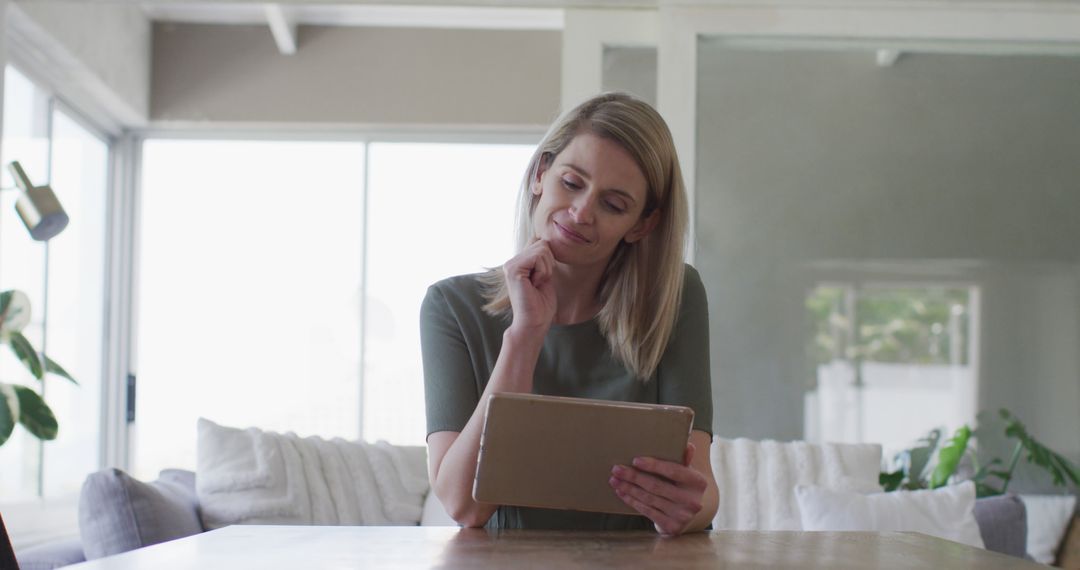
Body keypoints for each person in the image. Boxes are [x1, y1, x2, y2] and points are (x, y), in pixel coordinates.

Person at [421, 92, 717, 535]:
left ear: (642, 225)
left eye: (613, 205)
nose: (581, 214)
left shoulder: (674, 296)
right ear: (541, 174)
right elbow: (465, 506)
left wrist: (686, 509)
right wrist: (525, 333)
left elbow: (704, 495)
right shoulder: (451, 307)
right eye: (572, 183)